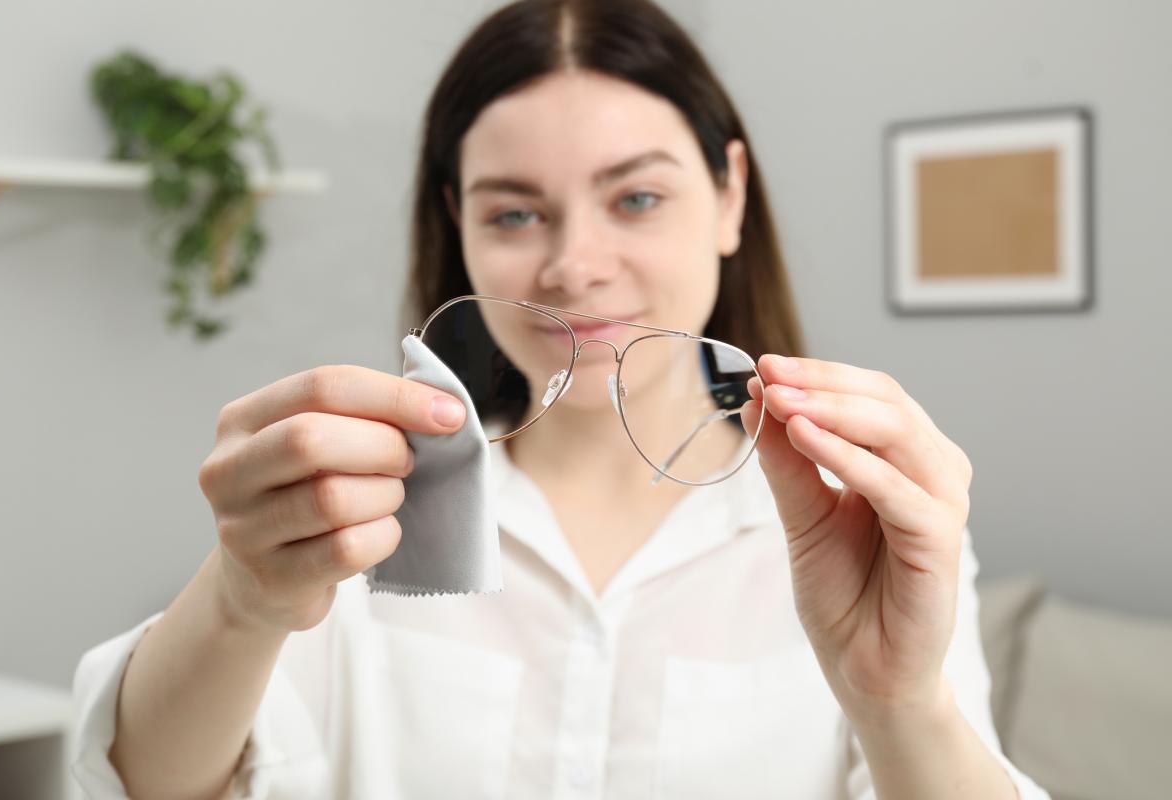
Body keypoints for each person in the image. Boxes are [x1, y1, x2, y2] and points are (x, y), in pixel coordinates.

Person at [70, 1, 1051, 797]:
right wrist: (243, 598)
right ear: (459, 225)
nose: (575, 265)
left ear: (730, 194)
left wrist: (898, 701)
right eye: (515, 211)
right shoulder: (361, 517)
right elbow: (140, 781)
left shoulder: (864, 524)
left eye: (636, 197)